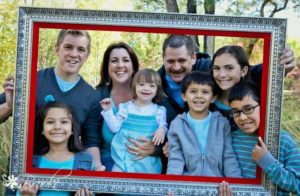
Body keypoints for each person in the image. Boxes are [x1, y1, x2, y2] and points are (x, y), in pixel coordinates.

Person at [157, 34, 296, 124]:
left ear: (193, 58)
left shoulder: (209, 70)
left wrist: (279, 67)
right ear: (163, 59)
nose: (176, 67)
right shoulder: (153, 84)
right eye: (170, 61)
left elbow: (249, 72)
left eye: (182, 60)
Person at [35, 29, 104, 171]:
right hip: (26, 170)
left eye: (80, 49)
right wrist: (10, 106)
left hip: (66, 172)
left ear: (87, 55)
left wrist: (96, 168)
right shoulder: (32, 80)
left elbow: (90, 140)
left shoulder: (92, 96)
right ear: (57, 49)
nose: (74, 54)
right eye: (68, 47)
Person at [228, 80, 300, 195]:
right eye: (236, 112)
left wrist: (266, 161)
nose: (242, 117)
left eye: (248, 109)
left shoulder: (284, 140)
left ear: (263, 105)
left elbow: (298, 185)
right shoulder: (231, 140)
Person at [167, 71, 241, 177]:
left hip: (217, 184)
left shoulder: (221, 123)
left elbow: (228, 156)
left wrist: (237, 184)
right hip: (189, 184)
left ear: (213, 98)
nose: (199, 96)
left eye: (205, 92)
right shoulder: (177, 125)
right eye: (193, 91)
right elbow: (175, 158)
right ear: (184, 96)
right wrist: (173, 184)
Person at [96, 42, 156, 172]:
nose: (120, 65)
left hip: (144, 162)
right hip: (109, 162)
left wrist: (155, 148)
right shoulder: (98, 97)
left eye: (125, 60)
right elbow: (91, 137)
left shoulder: (149, 94)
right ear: (107, 67)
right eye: (114, 61)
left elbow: (168, 129)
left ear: (134, 67)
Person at [18, 101, 93, 196]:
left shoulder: (86, 162)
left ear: (72, 129)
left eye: (64, 122)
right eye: (50, 122)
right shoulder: (30, 163)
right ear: (42, 129)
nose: (57, 127)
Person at [100, 68, 167, 173]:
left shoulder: (159, 111)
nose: (146, 88)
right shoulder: (126, 108)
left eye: (151, 86)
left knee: (147, 184)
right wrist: (108, 111)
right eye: (141, 84)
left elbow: (163, 125)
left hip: (147, 160)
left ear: (157, 89)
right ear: (134, 86)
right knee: (116, 180)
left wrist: (162, 129)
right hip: (124, 157)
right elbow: (114, 128)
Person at [210, 45, 250, 132]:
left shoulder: (254, 103)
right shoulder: (208, 102)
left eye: (229, 68)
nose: (222, 75)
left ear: (243, 71)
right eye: (216, 68)